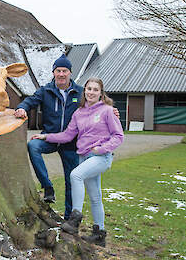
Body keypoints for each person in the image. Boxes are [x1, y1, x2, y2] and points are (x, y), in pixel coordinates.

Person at [31, 77, 124, 247]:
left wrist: (102, 149)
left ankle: (74, 219)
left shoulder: (107, 111)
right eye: (89, 89)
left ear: (101, 93)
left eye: (95, 90)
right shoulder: (79, 113)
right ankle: (99, 234)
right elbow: (67, 135)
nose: (91, 92)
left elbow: (118, 136)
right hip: (84, 157)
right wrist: (45, 136)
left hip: (100, 157)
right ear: (84, 91)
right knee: (95, 196)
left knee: (75, 175)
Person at [14, 54, 82, 220]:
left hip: (71, 142)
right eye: (58, 70)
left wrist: (111, 111)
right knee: (33, 146)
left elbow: (98, 105)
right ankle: (47, 187)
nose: (61, 74)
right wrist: (22, 108)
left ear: (70, 73)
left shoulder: (80, 92)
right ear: (53, 73)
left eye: (64, 71)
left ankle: (69, 218)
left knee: (71, 180)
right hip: (49, 138)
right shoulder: (46, 91)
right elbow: (29, 101)